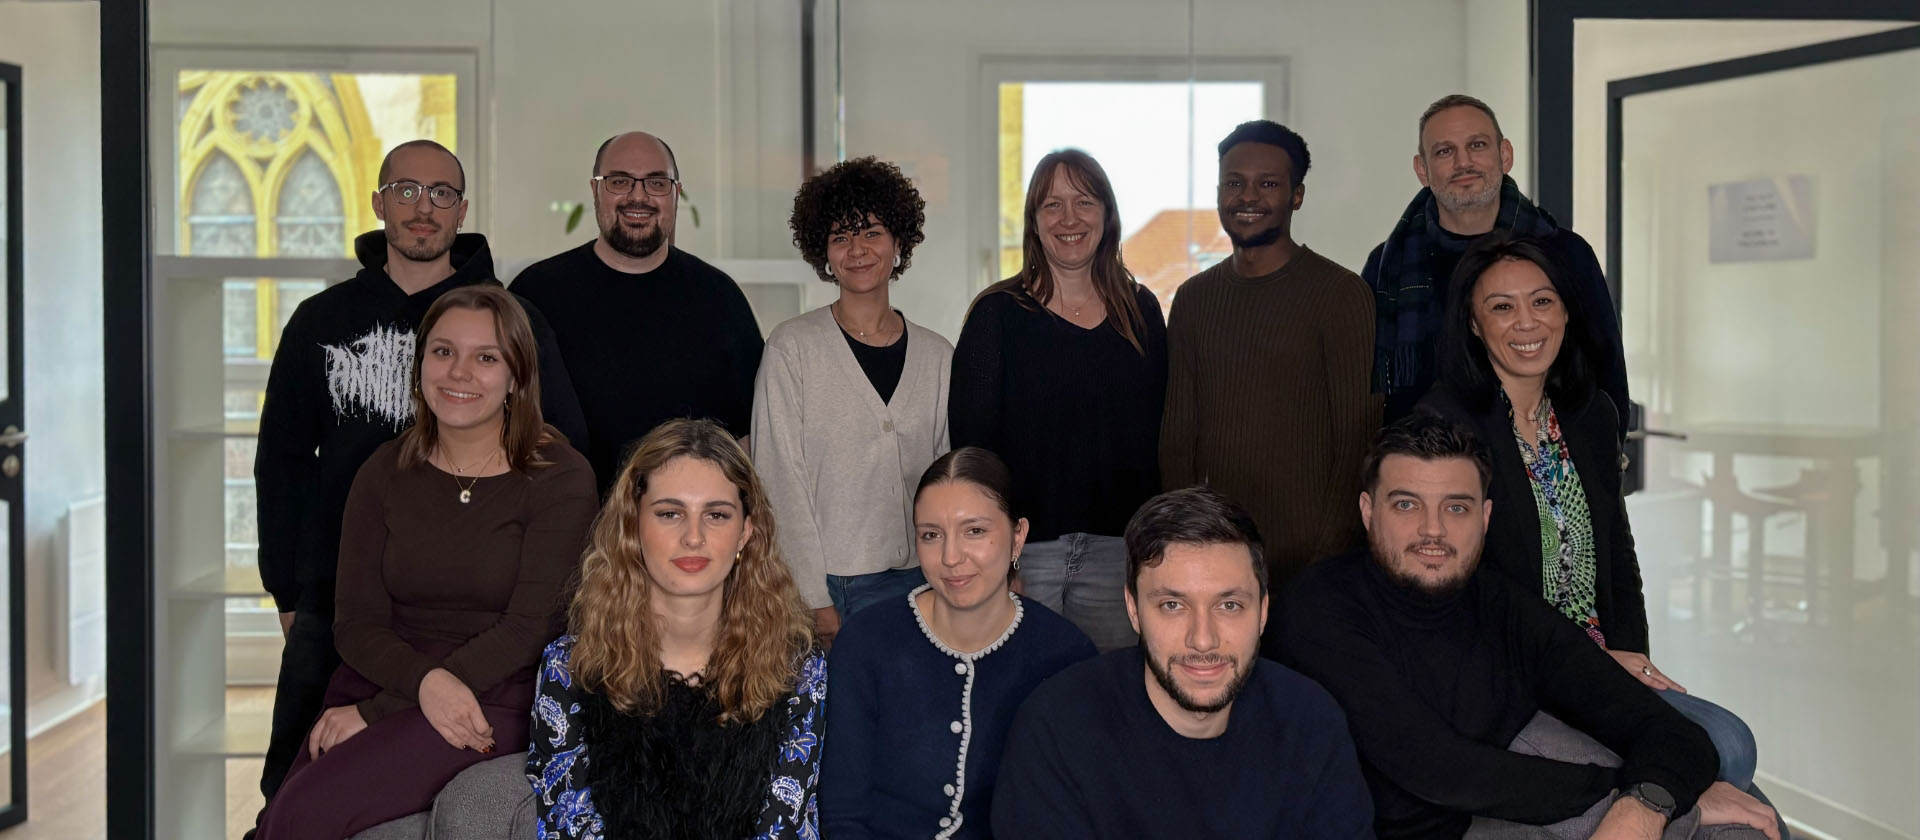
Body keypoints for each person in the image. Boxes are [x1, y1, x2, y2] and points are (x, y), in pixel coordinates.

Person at [251, 139, 583, 805]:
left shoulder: (509, 321)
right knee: (291, 777)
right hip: (339, 601)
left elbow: (559, 446)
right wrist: (286, 590)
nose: (422, 207)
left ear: (462, 210)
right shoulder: (321, 321)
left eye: (440, 193)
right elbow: (281, 462)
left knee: (391, 793)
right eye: (405, 190)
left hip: (480, 614)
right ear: (379, 204)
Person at [1280, 416, 1780, 839]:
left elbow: (1667, 729)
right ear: (1368, 512)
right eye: (1406, 505)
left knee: (1746, 827)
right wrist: (1655, 799)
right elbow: (1436, 769)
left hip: (1501, 801)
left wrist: (1649, 798)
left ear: (1485, 517)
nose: (1433, 530)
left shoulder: (1498, 603)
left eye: (1456, 507)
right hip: (1410, 825)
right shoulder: (1319, 610)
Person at [1419, 233, 1761, 790]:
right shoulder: (1443, 426)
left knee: (1732, 750)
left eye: (1542, 301)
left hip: (1602, 663)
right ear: (1474, 325)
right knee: (1726, 751)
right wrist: (1584, 664)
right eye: (1502, 307)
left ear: (1566, 312)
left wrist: (1632, 658)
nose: (1527, 322)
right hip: (1510, 670)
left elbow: (1617, 555)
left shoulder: (1590, 414)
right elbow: (1458, 590)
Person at [991, 486, 1373, 838]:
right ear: (1133, 610)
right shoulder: (1057, 729)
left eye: (1229, 605)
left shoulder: (1310, 721)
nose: (1202, 639)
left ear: (1263, 612)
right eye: (1172, 605)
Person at [527, 418, 826, 839]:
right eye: (670, 513)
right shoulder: (569, 667)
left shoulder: (796, 668)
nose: (693, 537)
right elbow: (568, 824)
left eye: (716, 515)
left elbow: (784, 827)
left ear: (745, 532)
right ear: (632, 525)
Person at [950, 149, 1166, 651]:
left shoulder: (1141, 313)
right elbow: (972, 453)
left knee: (1106, 692)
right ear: (1034, 221)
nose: (1069, 219)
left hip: (1119, 555)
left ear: (1107, 215)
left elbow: (1159, 438)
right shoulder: (996, 316)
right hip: (1025, 555)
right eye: (1052, 205)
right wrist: (997, 558)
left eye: (1084, 202)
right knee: (1026, 688)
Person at [821, 448, 1096, 838]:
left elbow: (1066, 812)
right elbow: (842, 812)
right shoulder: (866, 642)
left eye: (975, 531)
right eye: (931, 535)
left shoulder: (1066, 654)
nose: (951, 557)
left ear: (1018, 537)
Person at [1160, 119, 1376, 610]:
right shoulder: (1193, 299)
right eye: (1234, 183)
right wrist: (1187, 544)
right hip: (1216, 562)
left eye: (1268, 184)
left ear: (1297, 196)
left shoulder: (1341, 295)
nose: (1248, 196)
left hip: (1316, 569)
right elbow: (1178, 439)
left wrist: (1327, 562)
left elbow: (1359, 441)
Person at [754, 156, 950, 646]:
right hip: (833, 587)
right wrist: (810, 594)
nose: (857, 250)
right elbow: (779, 477)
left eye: (872, 233)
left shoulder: (937, 355)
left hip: (924, 580)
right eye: (841, 237)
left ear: (898, 242)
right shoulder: (792, 348)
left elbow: (949, 476)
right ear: (823, 251)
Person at [511, 131, 764, 495]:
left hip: (687, 520)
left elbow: (751, 435)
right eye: (620, 181)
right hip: (564, 516)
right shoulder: (536, 294)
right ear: (595, 190)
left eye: (656, 182)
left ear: (676, 194)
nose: (638, 196)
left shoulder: (720, 298)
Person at [1365, 93, 1628, 432]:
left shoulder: (1565, 254)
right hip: (1425, 456)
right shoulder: (1389, 266)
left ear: (1505, 155)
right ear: (1422, 169)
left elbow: (1607, 369)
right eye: (1444, 151)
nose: (1463, 163)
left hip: (1549, 452)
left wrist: (1607, 451)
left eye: (1477, 145)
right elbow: (1367, 388)